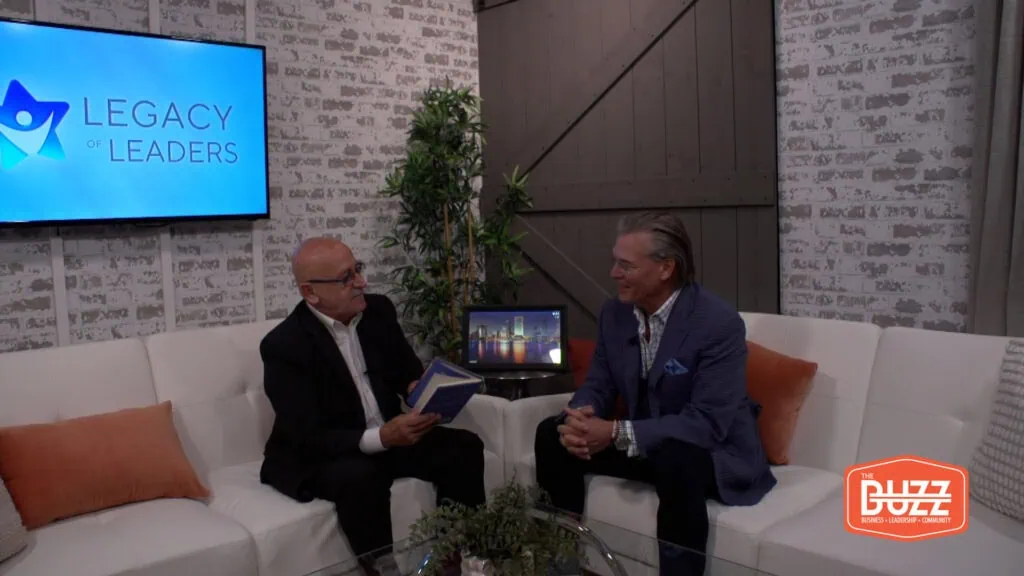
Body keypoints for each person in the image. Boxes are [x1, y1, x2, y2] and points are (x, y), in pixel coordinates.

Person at [534, 212, 776, 576]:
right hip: (648, 441)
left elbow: (707, 424)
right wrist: (581, 414)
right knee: (551, 435)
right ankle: (560, 564)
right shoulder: (615, 314)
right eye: (615, 262)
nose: (614, 273)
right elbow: (599, 382)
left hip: (710, 451)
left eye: (626, 265)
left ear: (665, 268)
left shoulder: (717, 323)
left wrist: (615, 432)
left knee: (678, 457)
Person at [259, 236, 486, 576]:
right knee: (362, 478)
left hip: (386, 436)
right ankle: (383, 571)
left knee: (464, 447)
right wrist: (382, 437)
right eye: (346, 277)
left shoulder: (377, 311)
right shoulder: (283, 346)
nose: (361, 282)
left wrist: (419, 390)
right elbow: (307, 436)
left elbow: (405, 372)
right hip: (323, 453)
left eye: (358, 269)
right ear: (310, 292)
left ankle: (456, 560)